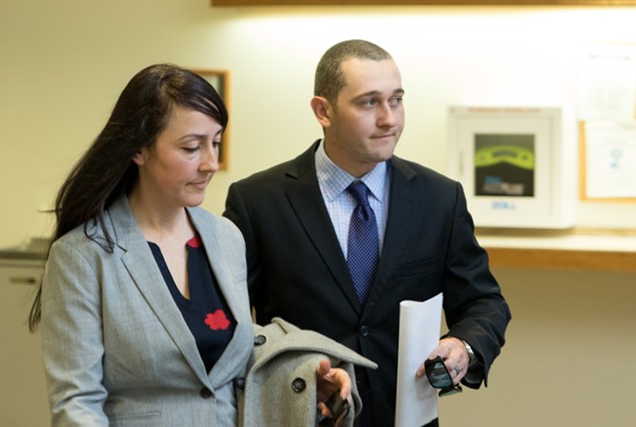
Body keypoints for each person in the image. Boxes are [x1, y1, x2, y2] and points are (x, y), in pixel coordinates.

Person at [27, 63, 376, 427]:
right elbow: (76, 404)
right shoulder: (82, 256)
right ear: (139, 150)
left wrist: (303, 379)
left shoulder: (225, 238)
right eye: (192, 147)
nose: (210, 163)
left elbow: (224, 355)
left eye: (216, 143)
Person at [223, 39, 511, 427]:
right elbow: (231, 323)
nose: (389, 119)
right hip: (302, 415)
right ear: (323, 111)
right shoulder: (257, 201)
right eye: (369, 102)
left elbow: (483, 301)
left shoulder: (440, 198)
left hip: (407, 417)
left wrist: (464, 346)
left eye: (396, 100)